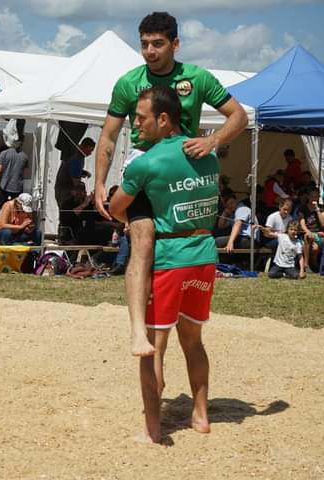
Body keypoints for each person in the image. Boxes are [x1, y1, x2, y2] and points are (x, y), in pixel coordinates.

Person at [93, 12, 248, 352]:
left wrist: (213, 141)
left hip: (185, 168)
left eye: (158, 44)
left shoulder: (197, 78)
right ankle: (138, 331)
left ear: (175, 44)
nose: (150, 51)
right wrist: (99, 183)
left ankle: (181, 308)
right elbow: (108, 136)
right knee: (143, 239)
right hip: (144, 166)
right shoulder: (127, 83)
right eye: (144, 44)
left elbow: (239, 116)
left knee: (190, 241)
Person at [108, 85, 220, 443]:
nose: (136, 124)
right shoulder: (208, 155)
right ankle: (200, 416)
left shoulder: (147, 162)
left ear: (164, 118)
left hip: (170, 258)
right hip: (204, 255)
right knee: (194, 342)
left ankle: (153, 429)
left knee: (151, 347)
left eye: (141, 118)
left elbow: (117, 207)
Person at [55, 137, 95, 209]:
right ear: (83, 147)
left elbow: (69, 169)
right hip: (66, 193)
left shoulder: (74, 152)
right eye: (90, 150)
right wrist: (86, 198)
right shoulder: (77, 158)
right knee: (69, 215)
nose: (90, 153)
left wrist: (83, 172)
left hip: (61, 190)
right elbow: (76, 183)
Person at [298, 189, 324, 273]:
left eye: (316, 196)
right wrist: (308, 231)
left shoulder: (322, 208)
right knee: (308, 237)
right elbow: (302, 223)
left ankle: (313, 263)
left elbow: (323, 224)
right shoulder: (302, 208)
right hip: (307, 234)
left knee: (315, 249)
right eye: (312, 196)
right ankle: (306, 264)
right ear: (308, 197)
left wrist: (317, 209)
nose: (314, 198)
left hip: (318, 234)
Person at [0, 136, 29, 208]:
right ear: (22, 143)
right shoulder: (25, 156)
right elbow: (25, 174)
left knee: (1, 209)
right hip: (18, 187)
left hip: (4, 186)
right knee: (15, 210)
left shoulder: (4, 153)